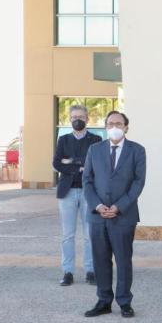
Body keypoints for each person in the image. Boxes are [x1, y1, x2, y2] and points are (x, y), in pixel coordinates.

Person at [82, 111, 147, 318]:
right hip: (98, 215)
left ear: (126, 127)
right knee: (100, 259)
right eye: (110, 123)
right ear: (105, 126)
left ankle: (125, 301)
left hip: (124, 215)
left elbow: (138, 182)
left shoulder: (137, 151)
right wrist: (98, 205)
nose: (115, 127)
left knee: (123, 260)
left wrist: (119, 206)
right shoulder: (95, 150)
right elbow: (87, 181)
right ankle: (103, 301)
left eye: (118, 123)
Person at [53, 104, 102, 286]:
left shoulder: (96, 139)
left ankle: (90, 270)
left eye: (80, 116)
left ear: (87, 118)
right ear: (69, 119)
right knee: (68, 235)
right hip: (67, 192)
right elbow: (57, 163)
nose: (77, 120)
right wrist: (79, 166)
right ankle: (68, 272)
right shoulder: (63, 140)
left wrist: (72, 162)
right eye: (74, 117)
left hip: (89, 192)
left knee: (90, 234)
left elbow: (95, 164)